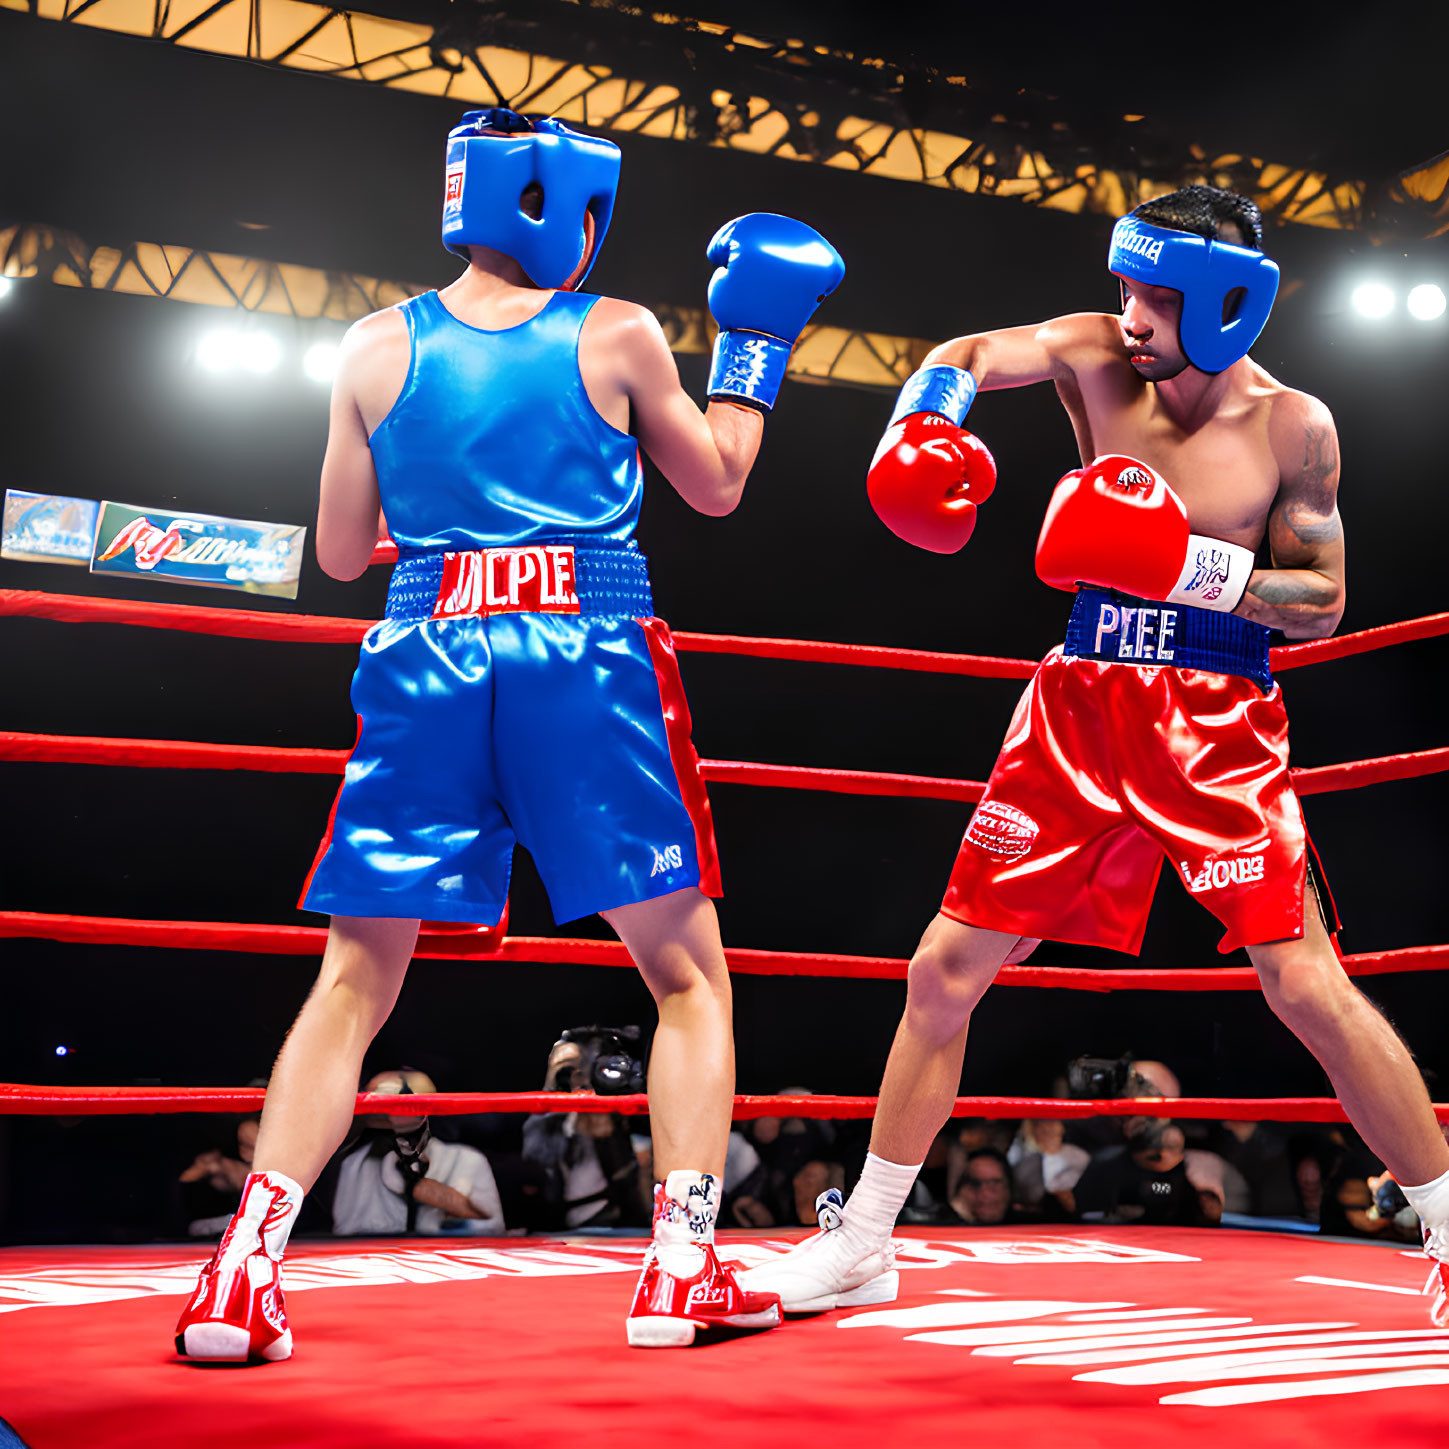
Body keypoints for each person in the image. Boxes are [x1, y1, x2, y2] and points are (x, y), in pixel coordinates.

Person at [175, 106, 843, 1360]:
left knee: (355, 979)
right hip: (583, 653)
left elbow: (334, 552)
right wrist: (755, 344)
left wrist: (457, 524)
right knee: (687, 977)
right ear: (565, 209)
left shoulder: (372, 347)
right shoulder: (620, 330)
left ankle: (241, 1275)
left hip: (425, 651)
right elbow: (719, 482)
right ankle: (681, 1273)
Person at [740, 184, 1449, 1324]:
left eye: (1155, 297)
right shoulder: (1089, 351)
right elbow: (966, 350)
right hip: (1077, 704)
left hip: (1214, 718)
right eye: (1126, 285)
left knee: (1304, 984)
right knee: (942, 972)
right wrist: (920, 423)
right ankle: (868, 1238)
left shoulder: (1291, 426)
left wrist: (1180, 566)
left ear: (1225, 303)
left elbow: (1322, 602)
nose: (1129, 314)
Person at [331, 1069, 506, 1236]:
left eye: (405, 1112)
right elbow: (344, 1232)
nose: (391, 1122)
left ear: (425, 1115)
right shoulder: (356, 1165)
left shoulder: (467, 1161)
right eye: (381, 1116)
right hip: (376, 1261)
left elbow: (495, 1229)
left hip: (446, 1262)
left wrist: (449, 1205)